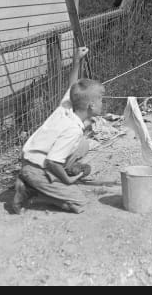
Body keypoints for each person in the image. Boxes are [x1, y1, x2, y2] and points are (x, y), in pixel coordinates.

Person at [12, 46, 104, 214]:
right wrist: (67, 180)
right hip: (37, 168)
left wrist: (77, 61)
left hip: (30, 159)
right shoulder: (73, 129)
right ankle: (30, 191)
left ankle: (40, 183)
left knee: (82, 145)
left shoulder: (67, 107)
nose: (102, 103)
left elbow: (73, 87)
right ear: (91, 106)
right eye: (101, 100)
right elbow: (53, 162)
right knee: (80, 203)